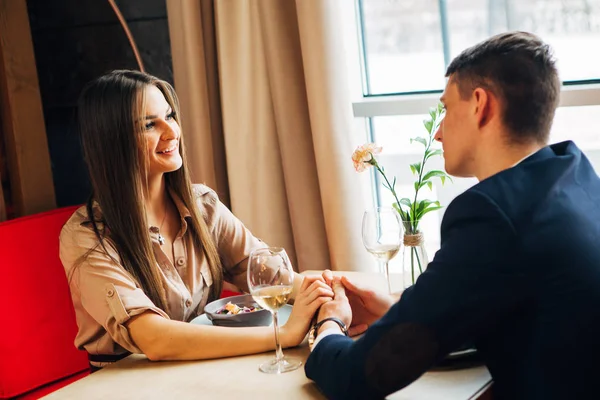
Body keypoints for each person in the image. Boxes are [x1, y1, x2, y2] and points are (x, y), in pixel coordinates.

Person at [305, 31, 600, 399]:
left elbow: (361, 377)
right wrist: (398, 310)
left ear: (480, 104)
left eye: (445, 108)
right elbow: (521, 301)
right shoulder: (576, 175)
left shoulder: (492, 214)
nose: (439, 132)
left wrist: (328, 327)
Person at [59, 70, 333, 370]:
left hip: (203, 369)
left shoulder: (203, 205)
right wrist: (284, 335)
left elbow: (271, 279)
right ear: (112, 142)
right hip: (127, 384)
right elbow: (154, 338)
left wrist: (329, 291)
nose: (172, 131)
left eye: (170, 115)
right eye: (150, 124)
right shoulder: (85, 235)